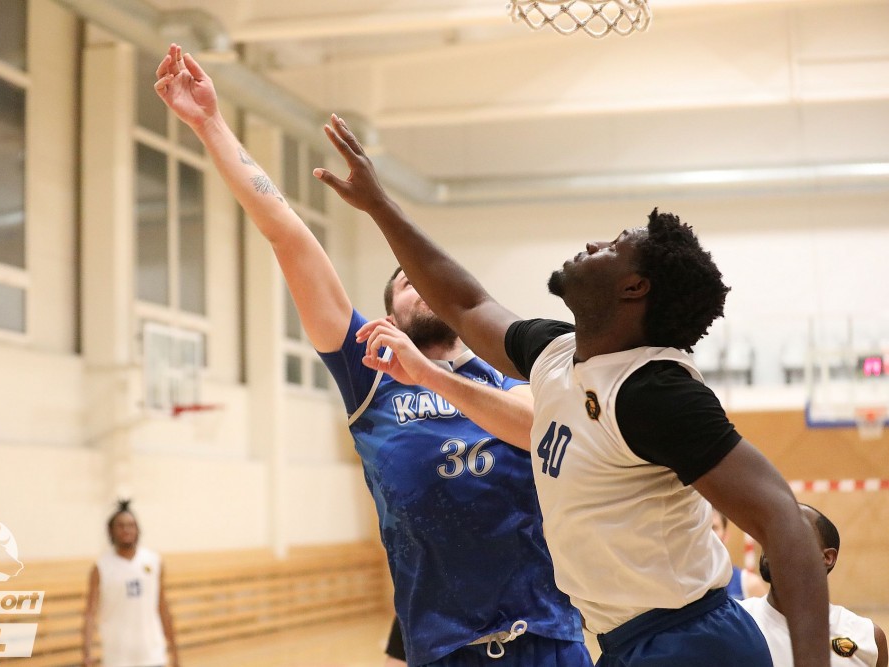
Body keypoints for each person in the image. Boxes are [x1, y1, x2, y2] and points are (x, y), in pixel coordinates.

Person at [313, 114, 832, 667]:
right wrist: (379, 206)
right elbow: (466, 304)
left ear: (633, 287)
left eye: (613, 246)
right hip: (623, 643)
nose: (592, 243)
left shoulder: (654, 390)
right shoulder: (556, 352)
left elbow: (785, 520)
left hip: (691, 639)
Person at [154, 44, 591, 667]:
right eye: (406, 282)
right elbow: (287, 235)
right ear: (388, 320)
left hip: (544, 639)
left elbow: (535, 427)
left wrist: (434, 377)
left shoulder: (506, 374)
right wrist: (210, 124)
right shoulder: (370, 373)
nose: (421, 284)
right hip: (443, 648)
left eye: (429, 277)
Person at [740, 504, 888, 667]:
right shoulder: (732, 622)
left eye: (791, 531)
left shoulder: (868, 638)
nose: (773, 538)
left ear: (827, 557)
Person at [82, 500, 180, 667]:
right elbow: (90, 613)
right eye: (120, 526)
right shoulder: (101, 568)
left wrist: (174, 651)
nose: (126, 530)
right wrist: (86, 652)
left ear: (137, 529)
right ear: (111, 531)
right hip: (118, 658)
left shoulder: (154, 561)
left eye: (131, 525)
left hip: (153, 656)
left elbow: (163, 607)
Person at [712, 509, 769, 600]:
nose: (708, 534)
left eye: (713, 528)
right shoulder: (689, 587)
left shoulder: (750, 584)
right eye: (704, 529)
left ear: (725, 535)